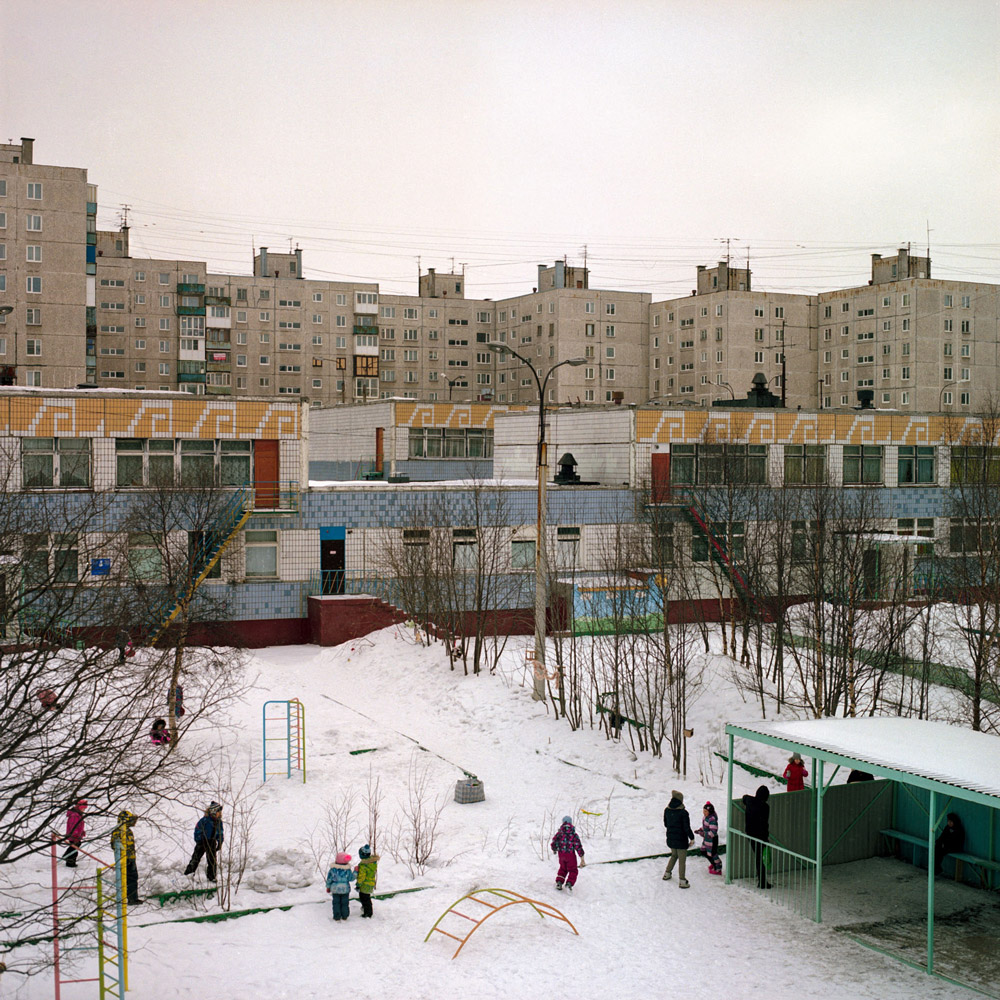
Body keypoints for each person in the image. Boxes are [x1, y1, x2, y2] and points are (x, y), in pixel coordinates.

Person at [662, 790, 695, 888]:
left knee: (674, 855)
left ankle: (667, 873)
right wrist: (692, 838)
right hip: (681, 840)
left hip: (671, 838)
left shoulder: (667, 810)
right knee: (682, 860)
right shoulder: (683, 813)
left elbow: (666, 824)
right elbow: (687, 828)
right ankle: (682, 881)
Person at [184, 802, 224, 882]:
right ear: (213, 811)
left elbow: (220, 833)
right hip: (202, 842)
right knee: (195, 858)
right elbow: (197, 831)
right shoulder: (204, 821)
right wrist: (201, 839)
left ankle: (212, 877)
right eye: (218, 812)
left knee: (212, 861)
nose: (220, 814)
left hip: (212, 842)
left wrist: (220, 842)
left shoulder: (219, 822)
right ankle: (188, 875)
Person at [742, 785, 771, 889]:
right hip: (760, 836)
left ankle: (762, 881)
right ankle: (762, 881)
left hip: (750, 833)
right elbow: (764, 824)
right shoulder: (765, 807)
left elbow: (744, 798)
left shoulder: (749, 800)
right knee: (761, 859)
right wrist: (765, 838)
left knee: (759, 858)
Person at [110, 810, 141, 905]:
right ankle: (126, 899)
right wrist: (124, 856)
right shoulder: (117, 831)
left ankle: (133, 898)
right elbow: (114, 845)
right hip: (124, 859)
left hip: (131, 859)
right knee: (125, 879)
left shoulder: (128, 831)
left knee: (133, 878)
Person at [550, 815, 585, 892]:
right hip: (570, 855)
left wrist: (554, 849)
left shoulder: (559, 833)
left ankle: (559, 882)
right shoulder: (573, 835)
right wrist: (582, 857)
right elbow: (578, 846)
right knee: (573, 870)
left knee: (563, 868)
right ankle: (569, 884)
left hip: (561, 854)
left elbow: (554, 841)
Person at [326, 852, 356, 922]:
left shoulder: (333, 870)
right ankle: (345, 916)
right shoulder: (347, 870)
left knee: (336, 903)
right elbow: (351, 878)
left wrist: (328, 887)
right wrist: (355, 872)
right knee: (345, 903)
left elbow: (329, 879)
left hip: (335, 890)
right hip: (345, 890)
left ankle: (337, 916)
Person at [695, 800, 722, 876]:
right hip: (707, 839)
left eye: (706, 811)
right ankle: (713, 864)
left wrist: (702, 833)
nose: (704, 812)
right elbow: (705, 827)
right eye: (703, 811)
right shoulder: (706, 817)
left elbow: (712, 832)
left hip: (712, 840)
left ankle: (718, 867)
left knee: (712, 854)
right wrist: (700, 830)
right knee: (703, 851)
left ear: (710, 811)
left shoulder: (712, 819)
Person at [354, 843, 380, 918]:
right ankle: (367, 910)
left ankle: (368, 913)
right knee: (367, 898)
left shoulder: (363, 865)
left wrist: (358, 885)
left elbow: (362, 877)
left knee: (364, 898)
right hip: (370, 883)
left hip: (364, 885)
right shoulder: (372, 863)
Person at [63, 799, 87, 868]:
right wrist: (75, 835)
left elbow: (79, 825)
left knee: (75, 846)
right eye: (83, 809)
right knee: (74, 848)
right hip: (73, 835)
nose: (84, 810)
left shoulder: (78, 814)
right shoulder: (75, 815)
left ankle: (67, 856)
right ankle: (70, 862)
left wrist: (82, 832)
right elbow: (73, 826)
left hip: (76, 835)